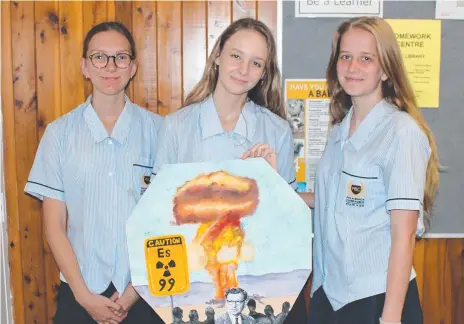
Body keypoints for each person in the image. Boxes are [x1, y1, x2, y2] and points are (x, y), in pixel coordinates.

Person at [153, 17, 307, 322]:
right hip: (195, 284)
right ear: (218, 57)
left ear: (264, 73)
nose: (243, 70)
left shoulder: (276, 130)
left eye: (256, 63)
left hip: (259, 278)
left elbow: (288, 223)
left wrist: (273, 184)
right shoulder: (176, 127)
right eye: (236, 56)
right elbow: (158, 213)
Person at [300, 16, 439, 324]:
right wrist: (274, 190)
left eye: (366, 59)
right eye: (345, 56)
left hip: (376, 298)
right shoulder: (340, 130)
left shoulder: (400, 132)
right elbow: (334, 200)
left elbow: (403, 236)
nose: (352, 67)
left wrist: (390, 317)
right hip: (328, 292)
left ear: (386, 69)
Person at [24, 21, 164, 324]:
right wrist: (83, 296)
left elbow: (165, 221)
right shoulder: (59, 134)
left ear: (133, 66)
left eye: (121, 57)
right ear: (85, 66)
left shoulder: (159, 132)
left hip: (144, 290)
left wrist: (132, 293)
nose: (110, 66)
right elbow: (54, 225)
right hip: (80, 291)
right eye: (99, 57)